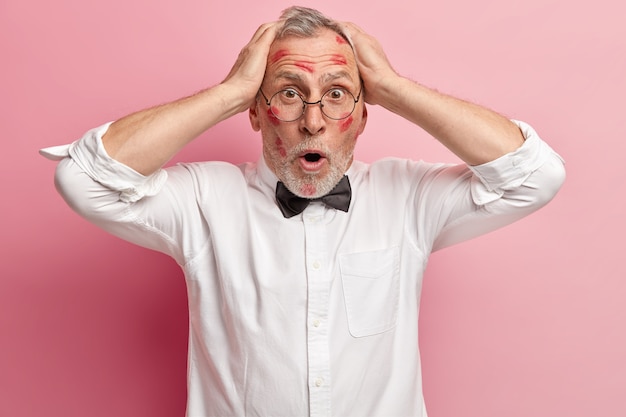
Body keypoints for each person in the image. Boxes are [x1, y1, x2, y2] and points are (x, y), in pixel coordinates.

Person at [40, 6, 565, 417]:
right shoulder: (204, 202)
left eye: (337, 95)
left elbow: (537, 176)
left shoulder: (409, 197)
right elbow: (83, 178)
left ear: (361, 118)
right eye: (289, 93)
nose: (313, 121)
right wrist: (230, 92)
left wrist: (395, 89)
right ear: (256, 113)